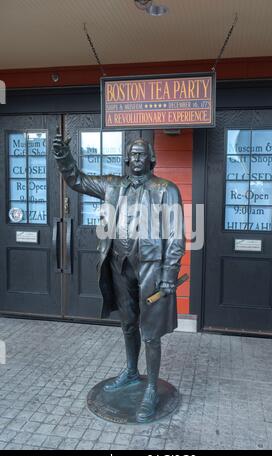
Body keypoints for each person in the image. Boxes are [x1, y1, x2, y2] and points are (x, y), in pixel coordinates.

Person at [53, 132, 185, 422]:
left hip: (151, 267)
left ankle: (151, 387)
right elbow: (77, 180)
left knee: (150, 332)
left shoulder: (167, 189)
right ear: (127, 159)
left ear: (152, 159)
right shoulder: (112, 185)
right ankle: (130, 371)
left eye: (142, 154)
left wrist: (169, 273)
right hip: (119, 265)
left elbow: (176, 236)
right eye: (133, 154)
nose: (137, 158)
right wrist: (64, 158)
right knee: (127, 324)